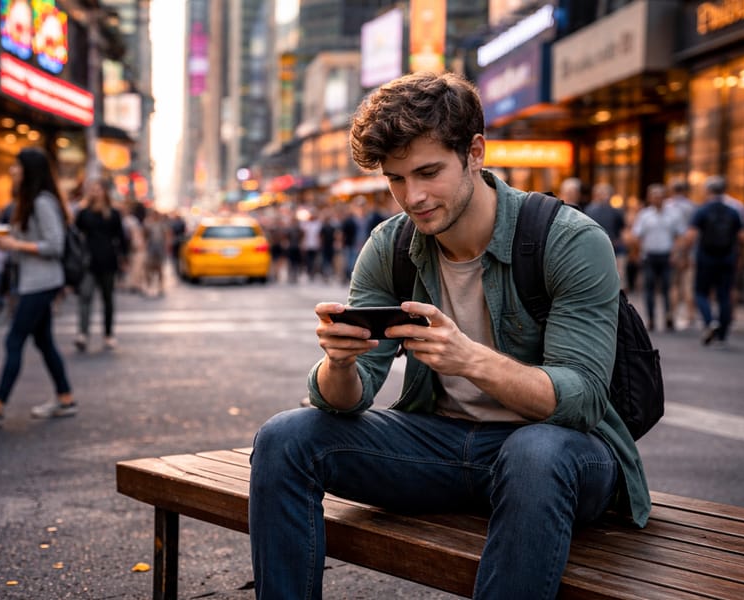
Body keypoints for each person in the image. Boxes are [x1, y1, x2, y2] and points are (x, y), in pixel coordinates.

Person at [248, 72, 650, 600]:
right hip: (439, 446)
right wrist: (339, 365)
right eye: (395, 179)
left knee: (535, 451)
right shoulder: (390, 245)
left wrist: (471, 360)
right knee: (284, 437)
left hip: (565, 459)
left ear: (475, 152)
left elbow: (581, 401)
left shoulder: (568, 239)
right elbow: (348, 400)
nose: (412, 197)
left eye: (428, 172)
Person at [0, 148, 75, 428]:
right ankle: (65, 398)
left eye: (17, 167)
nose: (12, 171)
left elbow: (55, 245)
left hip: (41, 282)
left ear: (29, 171)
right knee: (44, 341)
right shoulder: (30, 201)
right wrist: (11, 242)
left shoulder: (42, 202)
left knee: (14, 340)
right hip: (33, 280)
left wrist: (15, 244)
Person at [679, 175, 744, 346]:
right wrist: (740, 256)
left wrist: (685, 254)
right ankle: (723, 334)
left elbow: (690, 236)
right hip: (727, 258)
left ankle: (710, 322)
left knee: (700, 292)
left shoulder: (702, 210)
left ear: (708, 190)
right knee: (724, 295)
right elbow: (743, 237)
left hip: (706, 258)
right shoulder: (733, 210)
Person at [74, 177, 128, 351]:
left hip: (108, 260)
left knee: (108, 299)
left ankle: (108, 334)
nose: (95, 192)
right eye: (92, 189)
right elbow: (75, 235)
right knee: (85, 297)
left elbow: (121, 237)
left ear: (104, 192)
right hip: (88, 261)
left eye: (98, 189)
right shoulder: (83, 213)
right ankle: (83, 333)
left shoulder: (113, 213)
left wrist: (124, 258)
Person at [632, 183, 685, 331]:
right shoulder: (644, 215)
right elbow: (636, 235)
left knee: (667, 288)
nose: (657, 199)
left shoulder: (673, 214)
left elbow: (680, 235)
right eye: (654, 197)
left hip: (667, 256)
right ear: (650, 198)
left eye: (660, 197)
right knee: (649, 289)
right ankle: (651, 319)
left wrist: (676, 253)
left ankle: (669, 316)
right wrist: (638, 252)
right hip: (649, 256)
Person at [664, 180, 697, 328]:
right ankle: (690, 316)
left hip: (672, 250)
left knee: (674, 284)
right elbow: (693, 232)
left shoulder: (667, 206)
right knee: (688, 284)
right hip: (690, 250)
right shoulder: (692, 207)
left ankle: (672, 314)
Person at [585, 182, 627, 284]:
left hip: (615, 247)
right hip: (596, 248)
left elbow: (622, 229)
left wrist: (619, 241)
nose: (603, 196)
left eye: (605, 193)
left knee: (619, 275)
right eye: (600, 193)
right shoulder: (589, 210)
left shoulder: (616, 211)